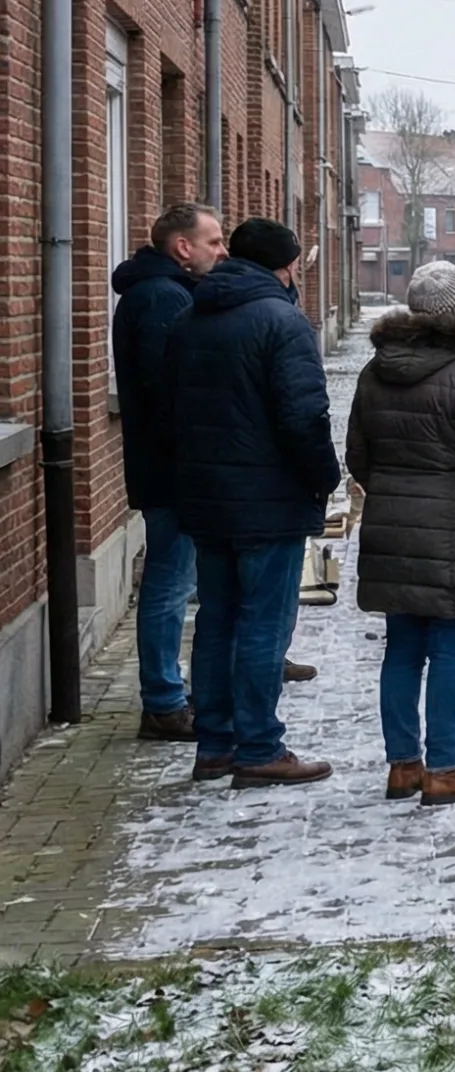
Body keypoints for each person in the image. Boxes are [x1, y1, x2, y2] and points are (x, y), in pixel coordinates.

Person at [161, 219, 340, 788]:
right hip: (269, 500)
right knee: (264, 622)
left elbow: (169, 409)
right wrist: (324, 477)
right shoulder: (282, 323)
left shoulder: (190, 317)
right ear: (283, 268)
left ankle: (215, 744)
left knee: (216, 619)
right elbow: (303, 416)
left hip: (206, 497)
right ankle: (260, 746)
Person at [347, 263, 455, 806]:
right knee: (450, 651)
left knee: (401, 649)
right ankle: (445, 769)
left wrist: (392, 493)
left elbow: (358, 457)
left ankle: (403, 766)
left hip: (392, 530)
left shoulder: (375, 371)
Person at [111, 201, 225, 743]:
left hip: (171, 465)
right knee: (169, 583)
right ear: (183, 247)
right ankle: (162, 701)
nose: (222, 252)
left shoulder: (166, 291)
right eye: (213, 242)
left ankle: (175, 694)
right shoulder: (162, 297)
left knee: (178, 580)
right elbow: (173, 388)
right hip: (172, 469)